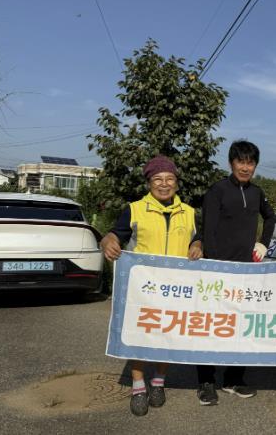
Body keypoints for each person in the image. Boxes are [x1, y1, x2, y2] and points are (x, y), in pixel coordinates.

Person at [100, 155, 200, 416]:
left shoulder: (189, 213)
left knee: (168, 335)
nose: (164, 184)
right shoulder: (134, 210)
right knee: (139, 337)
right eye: (158, 179)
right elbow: (114, 235)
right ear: (149, 183)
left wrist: (198, 245)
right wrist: (108, 241)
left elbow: (196, 239)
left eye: (169, 179)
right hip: (142, 290)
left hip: (176, 289)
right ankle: (138, 386)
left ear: (176, 182)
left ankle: (158, 382)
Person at [189, 140, 276, 406]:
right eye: (241, 162)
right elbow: (208, 230)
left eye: (251, 163)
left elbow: (271, 217)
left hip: (246, 272)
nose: (246, 167)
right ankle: (206, 382)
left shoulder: (257, 192)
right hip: (217, 272)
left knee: (241, 326)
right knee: (210, 327)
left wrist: (263, 243)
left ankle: (233, 379)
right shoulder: (217, 191)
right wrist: (216, 266)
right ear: (231, 163)